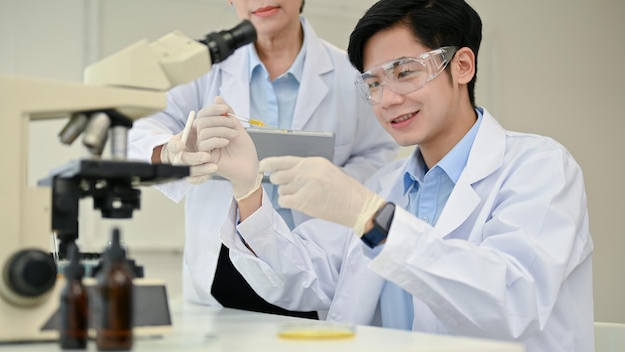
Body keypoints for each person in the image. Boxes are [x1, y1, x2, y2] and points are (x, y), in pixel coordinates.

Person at [202, 0, 594, 351]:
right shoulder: (383, 183)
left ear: (462, 66)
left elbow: (511, 303)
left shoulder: (540, 167)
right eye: (373, 83)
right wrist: (247, 187)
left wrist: (373, 219)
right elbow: (302, 279)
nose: (388, 99)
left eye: (405, 72)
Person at [127, 0, 397, 319]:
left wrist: (334, 185)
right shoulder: (204, 69)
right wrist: (173, 148)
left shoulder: (349, 73)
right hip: (222, 266)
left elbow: (379, 154)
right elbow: (137, 130)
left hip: (314, 265)